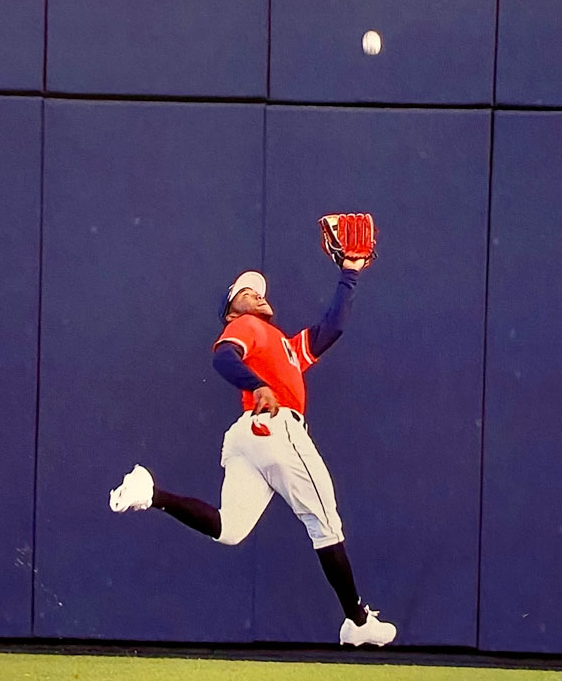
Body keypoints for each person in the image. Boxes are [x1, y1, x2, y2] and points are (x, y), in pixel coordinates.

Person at [109, 257, 396, 646]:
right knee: (325, 524)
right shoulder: (247, 327)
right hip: (277, 429)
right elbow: (223, 357)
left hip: (247, 439)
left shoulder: (286, 345)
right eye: (247, 293)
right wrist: (257, 384)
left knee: (229, 529)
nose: (257, 296)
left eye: (260, 292)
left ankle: (151, 493)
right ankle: (358, 621)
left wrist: (350, 271)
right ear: (231, 311)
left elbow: (335, 325)